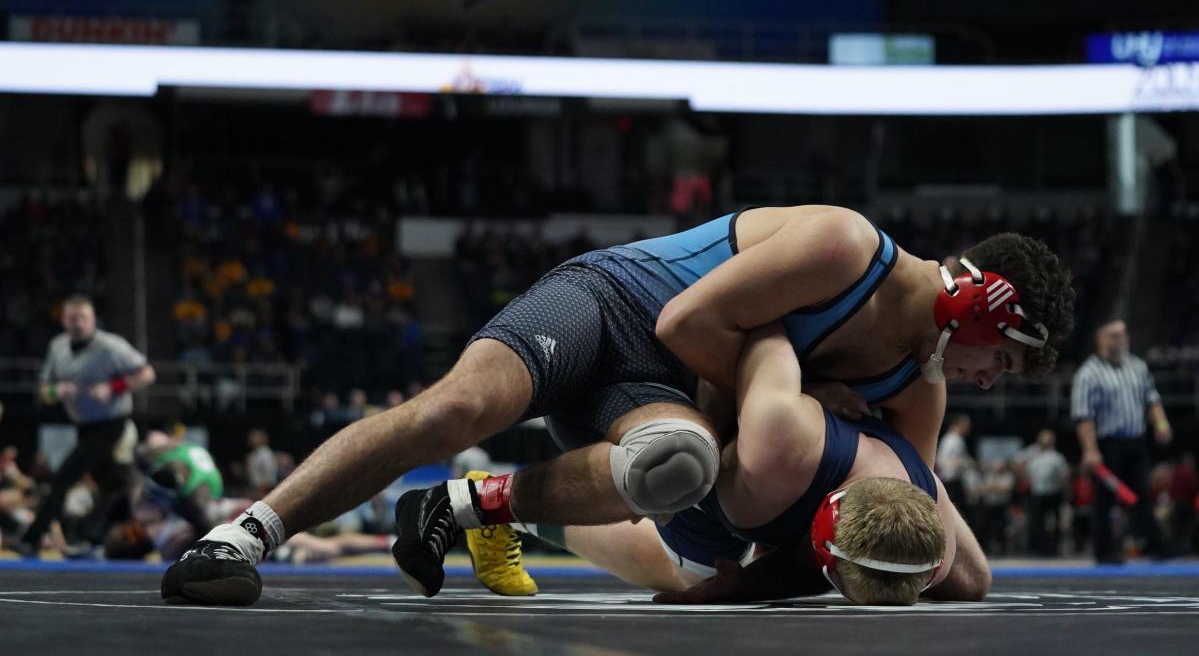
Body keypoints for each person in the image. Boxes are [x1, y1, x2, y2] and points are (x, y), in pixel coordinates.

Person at [163, 205, 1072, 605]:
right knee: (455, 410)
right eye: (1007, 362)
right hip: (615, 302)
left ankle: (476, 503)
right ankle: (242, 533)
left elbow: (877, 512)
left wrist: (751, 576)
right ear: (977, 306)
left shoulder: (921, 387)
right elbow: (685, 318)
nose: (995, 383)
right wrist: (787, 381)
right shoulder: (848, 248)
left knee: (672, 467)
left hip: (670, 392)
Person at [525, 324, 989, 605]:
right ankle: (520, 512)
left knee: (969, 583)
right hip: (689, 403)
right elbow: (757, 327)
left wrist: (749, 586)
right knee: (694, 552)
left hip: (797, 444)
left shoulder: (927, 507)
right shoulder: (777, 442)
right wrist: (739, 584)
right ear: (819, 537)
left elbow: (971, 580)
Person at [17, 295, 155, 556]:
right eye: (72, 318)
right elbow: (45, 391)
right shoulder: (57, 346)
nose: (77, 324)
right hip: (84, 426)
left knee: (64, 477)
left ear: (93, 320)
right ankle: (104, 540)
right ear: (63, 320)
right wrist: (59, 391)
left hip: (113, 423)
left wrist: (114, 387)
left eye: (83, 318)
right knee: (111, 485)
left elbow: (147, 373)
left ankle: (31, 538)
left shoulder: (111, 346)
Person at [1071, 318, 1172, 563]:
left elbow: (1152, 400)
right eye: (1114, 335)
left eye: (1123, 334)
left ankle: (1154, 545)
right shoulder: (1089, 373)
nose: (1121, 339)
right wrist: (1090, 450)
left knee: (1141, 495)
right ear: (1101, 339)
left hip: (1135, 442)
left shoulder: (1137, 366)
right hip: (1107, 445)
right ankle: (1104, 551)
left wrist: (1160, 424)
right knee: (1104, 500)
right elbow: (1083, 415)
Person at [1023, 429, 1069, 556]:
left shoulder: (1057, 457)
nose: (1045, 442)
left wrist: (1066, 493)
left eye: (1048, 439)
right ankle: (1041, 549)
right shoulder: (1033, 456)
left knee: (1056, 523)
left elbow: (1064, 476)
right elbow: (1027, 473)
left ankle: (1055, 549)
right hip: (1037, 494)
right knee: (1037, 523)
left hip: (1054, 493)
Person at [936, 413, 974, 512]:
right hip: (951, 482)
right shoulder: (952, 439)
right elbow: (943, 460)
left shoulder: (955, 439)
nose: (968, 426)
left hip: (953, 481)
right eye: (966, 423)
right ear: (959, 424)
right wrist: (963, 463)